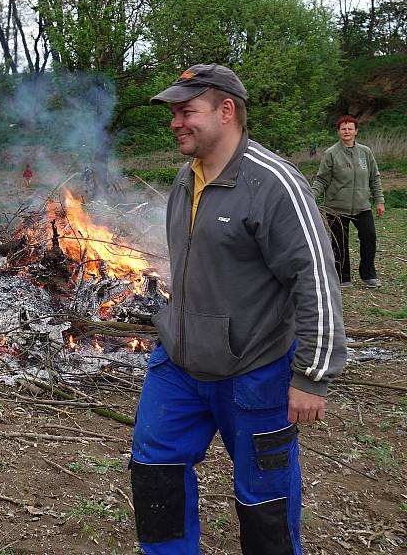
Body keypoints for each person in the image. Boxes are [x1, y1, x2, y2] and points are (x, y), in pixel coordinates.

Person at [130, 64, 347, 555]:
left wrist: (311, 375)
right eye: (174, 113)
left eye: (187, 111)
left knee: (263, 498)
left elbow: (314, 277)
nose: (175, 122)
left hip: (255, 370)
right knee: (154, 472)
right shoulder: (187, 178)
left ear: (226, 111)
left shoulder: (273, 185)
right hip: (179, 365)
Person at [312, 115, 385, 288]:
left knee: (369, 237)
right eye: (343, 129)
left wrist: (379, 200)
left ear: (356, 131)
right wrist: (310, 197)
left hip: (362, 207)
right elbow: (321, 180)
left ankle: (368, 275)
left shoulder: (365, 152)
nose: (347, 132)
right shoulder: (331, 153)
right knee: (339, 243)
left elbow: (374, 178)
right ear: (338, 132)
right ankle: (343, 277)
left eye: (350, 128)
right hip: (336, 208)